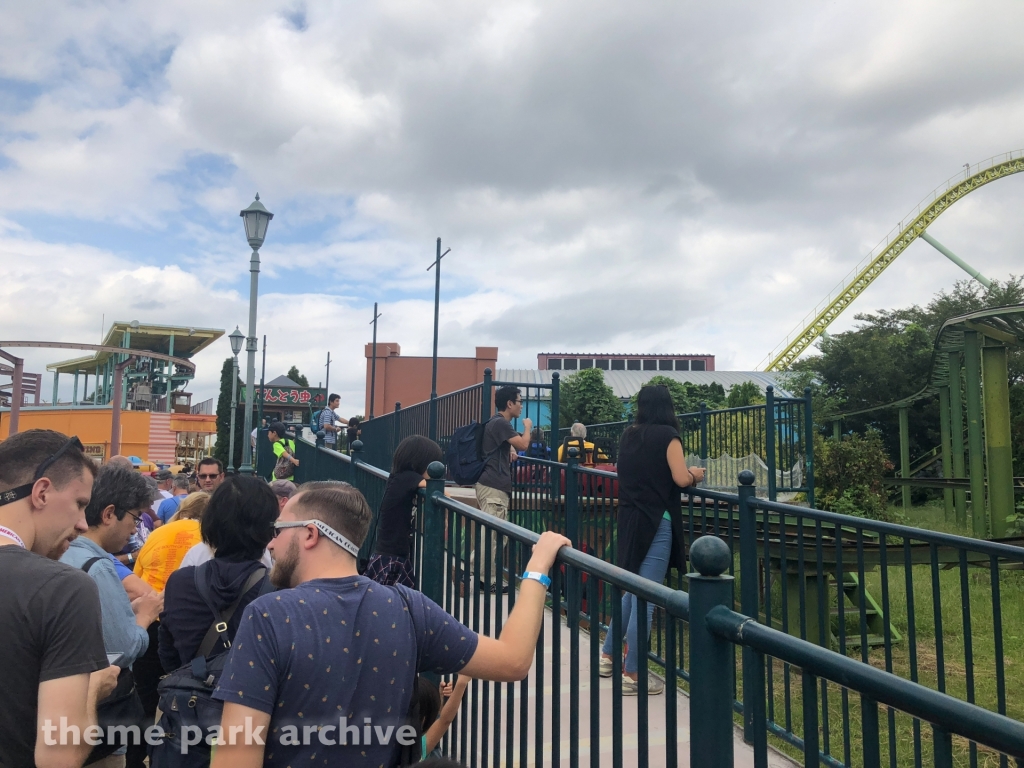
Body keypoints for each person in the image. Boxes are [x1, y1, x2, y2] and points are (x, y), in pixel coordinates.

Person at [210, 482, 571, 768]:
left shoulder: (268, 616)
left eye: (278, 529)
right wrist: (537, 568)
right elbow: (513, 660)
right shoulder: (409, 608)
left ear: (309, 534)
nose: (271, 543)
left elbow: (234, 759)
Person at [0, 430, 119, 768]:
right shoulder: (64, 589)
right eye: (80, 504)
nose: (82, 524)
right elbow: (59, 756)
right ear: (41, 492)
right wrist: (92, 688)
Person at [599, 384, 705, 695]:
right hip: (658, 520)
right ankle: (632, 674)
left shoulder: (629, 435)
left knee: (633, 590)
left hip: (630, 519)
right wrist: (695, 474)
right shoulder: (668, 436)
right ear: (667, 406)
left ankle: (607, 656)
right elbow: (680, 478)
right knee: (646, 597)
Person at [158, 476, 279, 672]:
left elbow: (168, 653)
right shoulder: (279, 589)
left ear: (210, 521)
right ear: (269, 529)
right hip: (252, 690)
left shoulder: (180, 582)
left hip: (192, 688)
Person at [473, 386, 532, 591]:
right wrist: (528, 427)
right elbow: (524, 445)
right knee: (493, 536)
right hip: (493, 487)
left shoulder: (495, 422)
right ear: (509, 403)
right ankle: (472, 572)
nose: (521, 406)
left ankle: (483, 578)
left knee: (496, 535)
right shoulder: (501, 423)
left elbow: (507, 445)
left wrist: (510, 449)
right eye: (519, 401)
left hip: (490, 485)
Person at [366, 435, 444, 588]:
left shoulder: (399, 478)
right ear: (420, 462)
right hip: (392, 556)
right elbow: (440, 493)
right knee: (400, 598)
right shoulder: (408, 478)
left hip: (390, 551)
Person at [133, 492, 208, 592]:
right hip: (185, 598)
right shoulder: (209, 536)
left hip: (148, 596)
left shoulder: (157, 533)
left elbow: (136, 575)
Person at [417, 675, 470, 760]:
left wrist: (440, 699)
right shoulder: (418, 748)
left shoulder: (400, 742)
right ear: (424, 719)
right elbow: (444, 720)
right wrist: (461, 682)